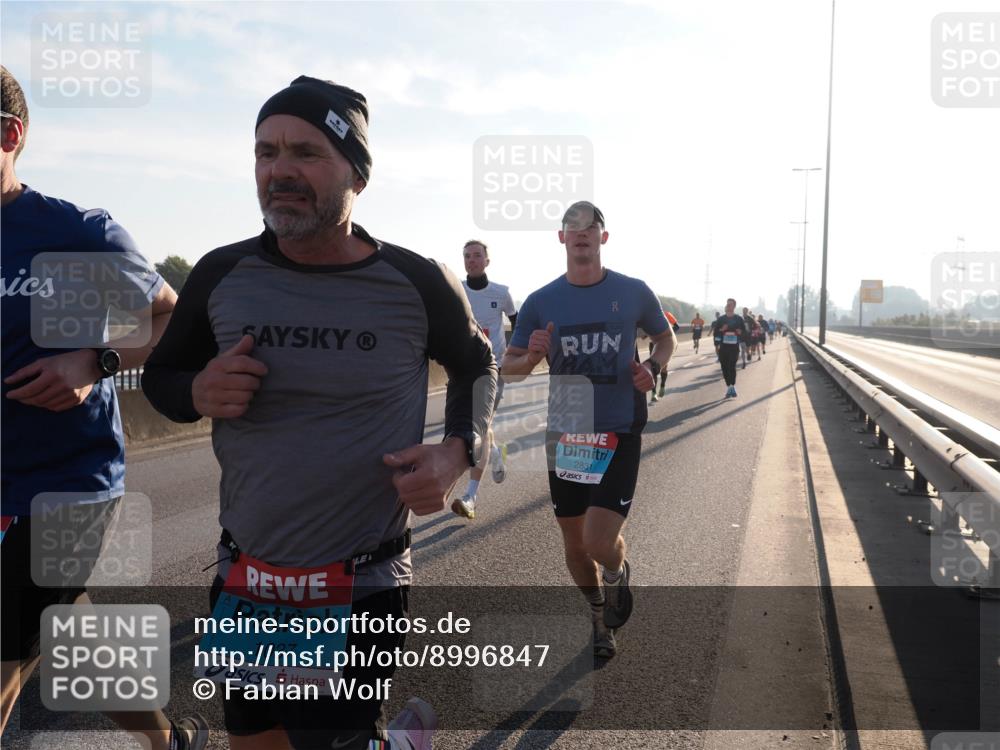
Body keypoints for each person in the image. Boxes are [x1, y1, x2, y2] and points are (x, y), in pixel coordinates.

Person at [141, 75, 496, 750]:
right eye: (265, 152)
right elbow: (160, 376)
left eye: (305, 153)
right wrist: (196, 392)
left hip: (358, 579)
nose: (279, 171)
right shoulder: (221, 274)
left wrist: (457, 451)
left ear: (356, 174)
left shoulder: (416, 281)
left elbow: (478, 366)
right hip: (245, 576)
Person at [0, 67, 209, 750]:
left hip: (66, 485)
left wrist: (94, 361)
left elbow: (170, 322)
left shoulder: (75, 233)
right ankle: (170, 743)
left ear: (10, 135)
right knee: (76, 638)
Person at [502, 201, 675, 660]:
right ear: (561, 238)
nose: (581, 233)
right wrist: (532, 354)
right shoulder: (541, 302)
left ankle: (617, 574)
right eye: (571, 227)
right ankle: (600, 618)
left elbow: (665, 337)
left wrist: (653, 367)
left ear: (603, 237)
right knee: (576, 545)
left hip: (619, 431)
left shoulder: (633, 291)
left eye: (590, 226)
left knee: (600, 542)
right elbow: (508, 370)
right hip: (568, 436)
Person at [451, 239, 517, 520]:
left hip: (494, 369)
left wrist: (515, 355)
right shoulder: (456, 290)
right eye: (467, 256)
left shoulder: (502, 293)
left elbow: (518, 323)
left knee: (481, 423)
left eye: (477, 255)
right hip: (462, 369)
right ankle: (496, 452)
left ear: (487, 261)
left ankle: (471, 497)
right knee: (474, 426)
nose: (471, 260)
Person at [715, 298, 747, 398]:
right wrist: (721, 330)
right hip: (723, 347)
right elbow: (716, 333)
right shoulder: (721, 319)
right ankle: (729, 386)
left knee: (731, 366)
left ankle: (732, 386)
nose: (728, 306)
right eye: (727, 304)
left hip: (734, 347)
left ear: (734, 306)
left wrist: (740, 332)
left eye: (730, 305)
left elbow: (744, 332)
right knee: (724, 368)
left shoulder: (739, 319)